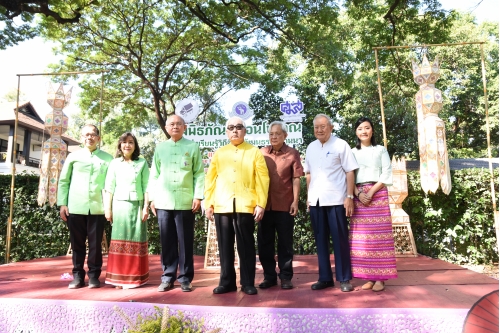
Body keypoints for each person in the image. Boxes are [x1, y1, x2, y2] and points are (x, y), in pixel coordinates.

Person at [205, 116, 270, 295]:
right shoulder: (219, 153)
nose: (235, 130)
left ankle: (248, 282)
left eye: (239, 127)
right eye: (231, 127)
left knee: (246, 245)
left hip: (245, 205)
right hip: (222, 204)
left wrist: (261, 204)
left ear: (245, 131)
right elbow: (210, 179)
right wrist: (209, 203)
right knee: (224, 246)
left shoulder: (254, 152)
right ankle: (227, 282)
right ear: (226, 131)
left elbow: (263, 179)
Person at [148, 114, 204, 292]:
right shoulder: (160, 148)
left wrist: (198, 196)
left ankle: (186, 278)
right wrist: (152, 198)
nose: (175, 127)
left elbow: (199, 173)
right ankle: (167, 277)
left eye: (179, 124)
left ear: (185, 127)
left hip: (185, 201)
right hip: (163, 201)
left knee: (185, 241)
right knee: (167, 240)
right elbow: (154, 174)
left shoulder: (192, 146)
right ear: (166, 127)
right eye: (171, 124)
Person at [305, 114, 358, 292]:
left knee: (340, 240)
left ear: (331, 127)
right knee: (320, 241)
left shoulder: (341, 144)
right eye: (316, 127)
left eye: (323, 126)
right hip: (316, 201)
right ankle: (325, 278)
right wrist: (308, 197)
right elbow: (308, 174)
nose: (319, 130)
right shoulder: (311, 147)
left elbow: (350, 171)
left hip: (336, 200)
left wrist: (349, 197)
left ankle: (344, 278)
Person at [57, 124, 113, 289]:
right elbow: (64, 181)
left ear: (98, 138)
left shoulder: (108, 158)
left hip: (97, 207)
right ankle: (77, 276)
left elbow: (111, 184)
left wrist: (109, 207)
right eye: (86, 135)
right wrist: (63, 204)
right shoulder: (73, 157)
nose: (89, 137)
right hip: (75, 206)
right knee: (77, 244)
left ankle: (94, 276)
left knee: (96, 245)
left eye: (93, 134)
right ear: (82, 137)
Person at [350, 117, 398, 292]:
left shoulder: (380, 150)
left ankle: (381, 279)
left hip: (378, 195)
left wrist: (370, 192)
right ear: (356, 132)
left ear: (372, 131)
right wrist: (358, 193)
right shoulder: (351, 152)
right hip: (358, 195)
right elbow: (349, 175)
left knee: (380, 238)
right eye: (360, 128)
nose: (364, 131)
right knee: (362, 239)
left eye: (367, 128)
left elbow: (386, 173)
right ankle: (368, 277)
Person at [258, 121, 303, 290]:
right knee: (264, 243)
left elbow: (296, 178)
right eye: (271, 134)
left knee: (285, 243)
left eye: (277, 133)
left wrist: (295, 201)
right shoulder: (262, 153)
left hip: (285, 204)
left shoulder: (292, 153)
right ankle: (269, 276)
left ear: (285, 135)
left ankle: (285, 277)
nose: (274, 137)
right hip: (264, 206)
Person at [104, 132, 150, 289]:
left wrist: (145, 207)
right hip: (119, 205)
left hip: (137, 207)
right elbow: (109, 187)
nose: (127, 145)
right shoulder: (114, 163)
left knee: (136, 241)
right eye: (124, 142)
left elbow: (146, 187)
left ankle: (135, 279)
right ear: (119, 145)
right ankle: (117, 279)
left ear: (135, 145)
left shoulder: (142, 163)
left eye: (131, 142)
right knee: (119, 241)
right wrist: (108, 209)